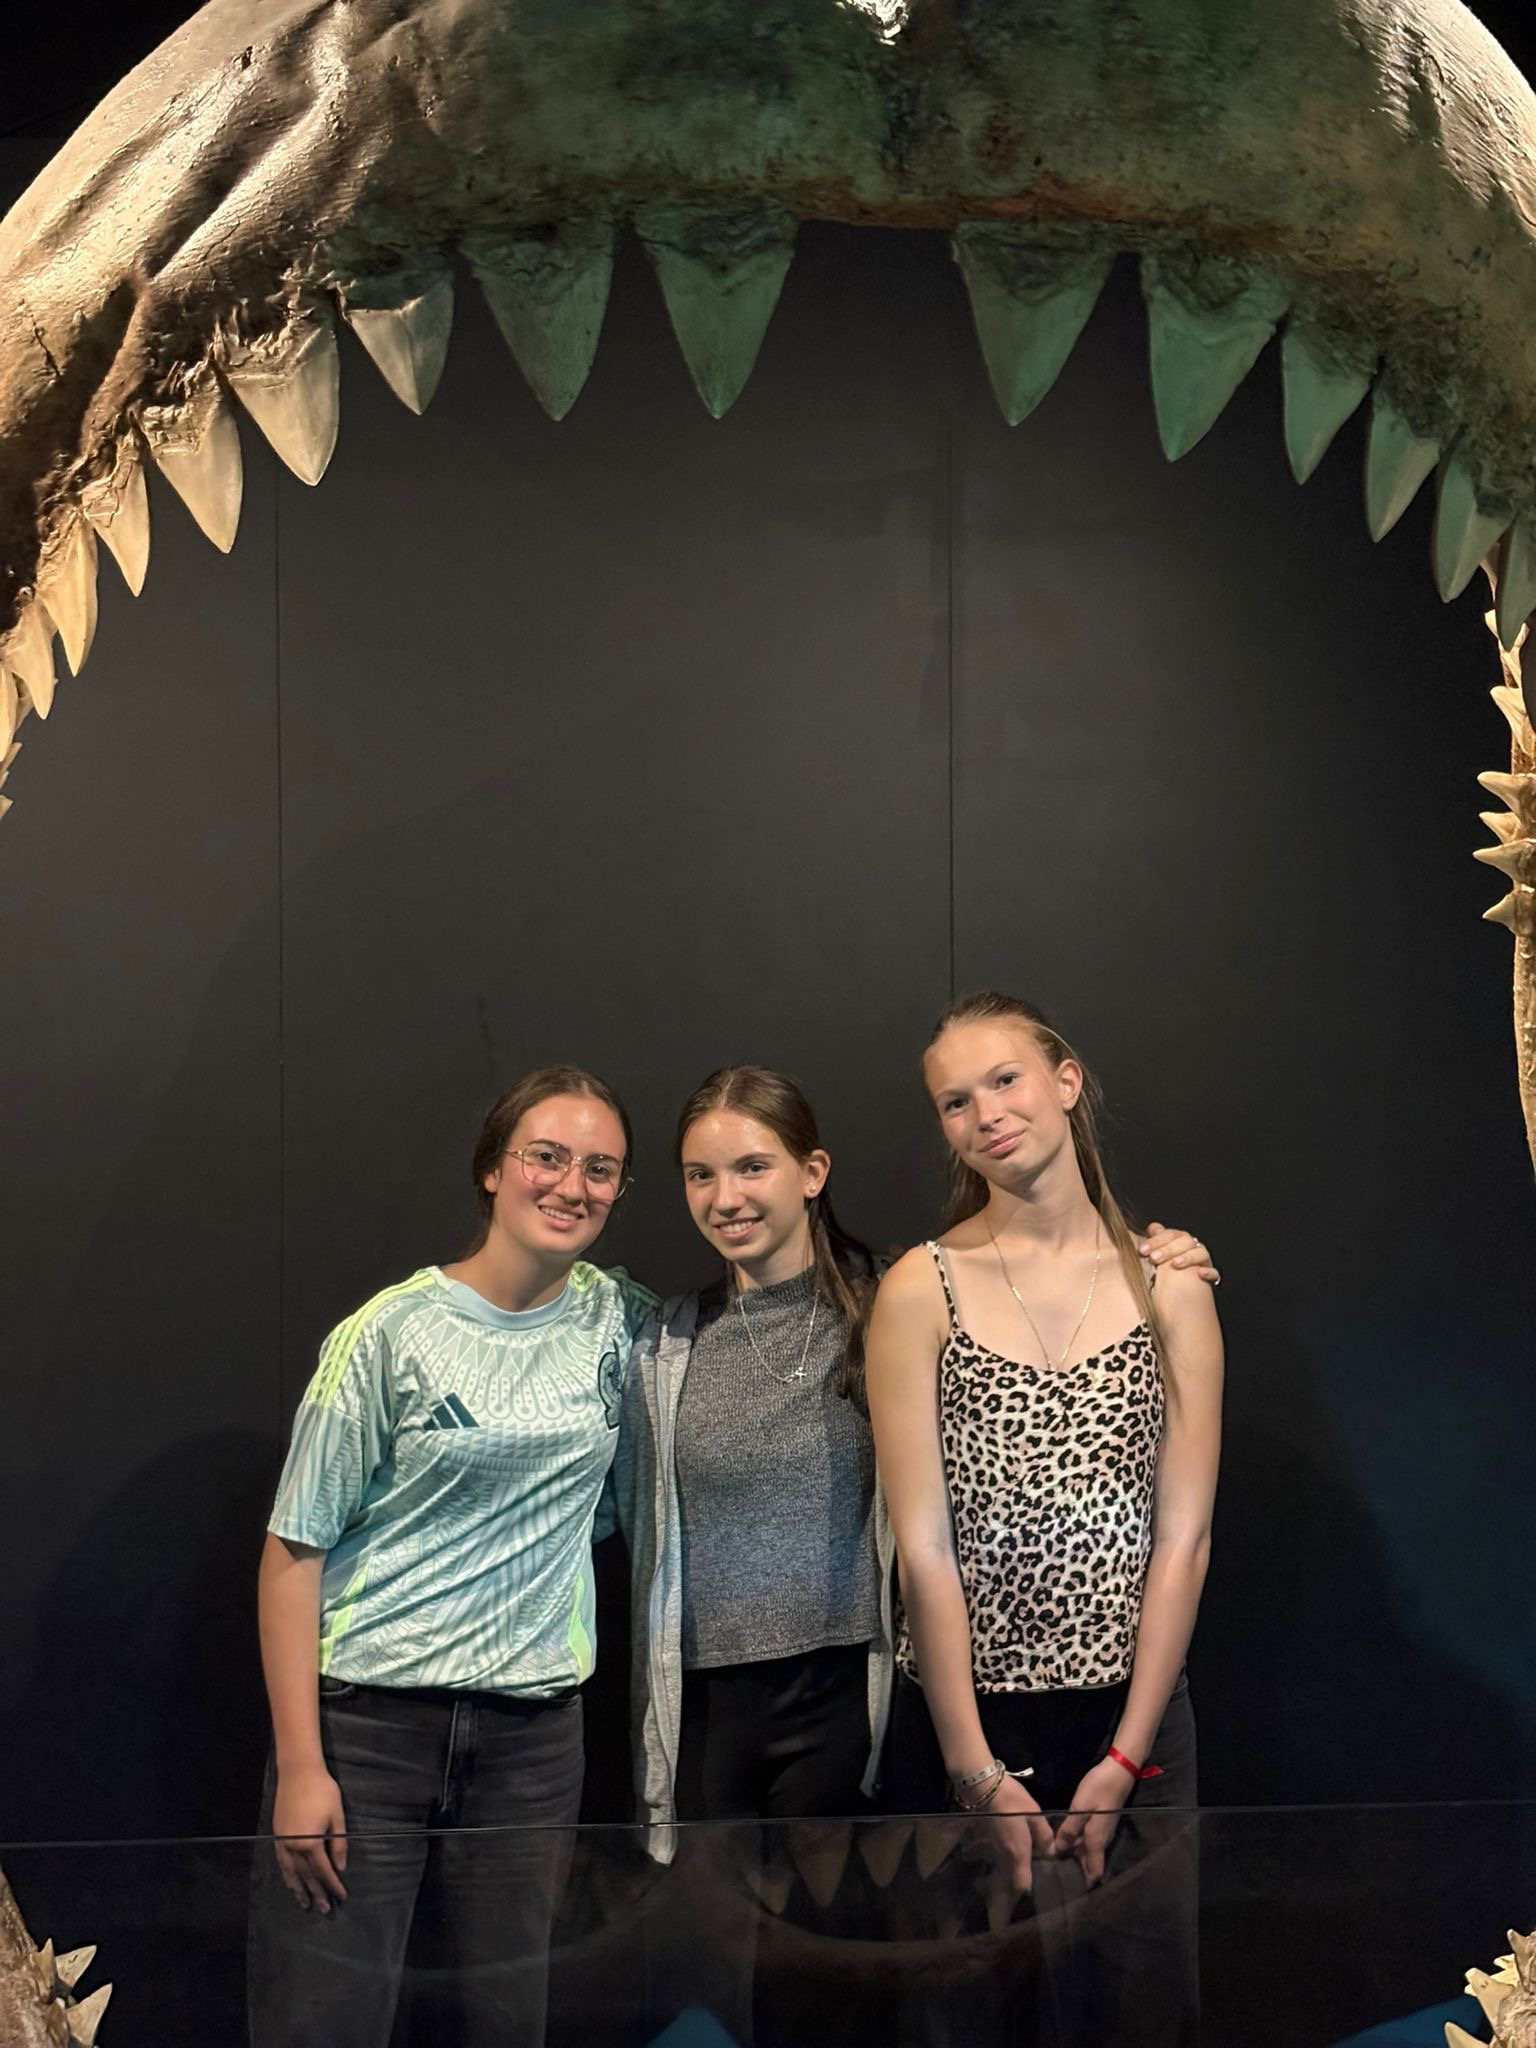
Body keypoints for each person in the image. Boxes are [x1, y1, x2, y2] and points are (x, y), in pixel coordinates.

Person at [614, 1063, 1216, 1845]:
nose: (726, 1197)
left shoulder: (892, 1300)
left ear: (812, 1173)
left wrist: (1166, 1252)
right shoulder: (664, 1342)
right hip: (705, 1711)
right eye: (701, 1175)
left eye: (752, 1167)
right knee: (710, 1920)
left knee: (848, 1918)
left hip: (854, 1707)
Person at [248, 1064, 655, 2048]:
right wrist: (302, 1765)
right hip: (368, 1731)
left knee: (509, 2023)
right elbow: (293, 1551)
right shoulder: (390, 1332)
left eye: (601, 1168)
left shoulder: (623, 1321)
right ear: (493, 1169)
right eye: (547, 1157)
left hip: (532, 1742)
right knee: (325, 2020)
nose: (572, 1185)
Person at [867, 992, 1223, 2045]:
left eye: (1005, 1079)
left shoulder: (1171, 1286)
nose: (986, 1113)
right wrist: (974, 1768)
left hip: (1135, 1719)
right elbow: (923, 1548)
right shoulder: (920, 1288)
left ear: (1066, 1083)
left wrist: (1126, 1758)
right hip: (978, 1724)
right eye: (955, 1100)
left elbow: (1183, 1539)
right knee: (979, 2010)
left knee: (1144, 2012)